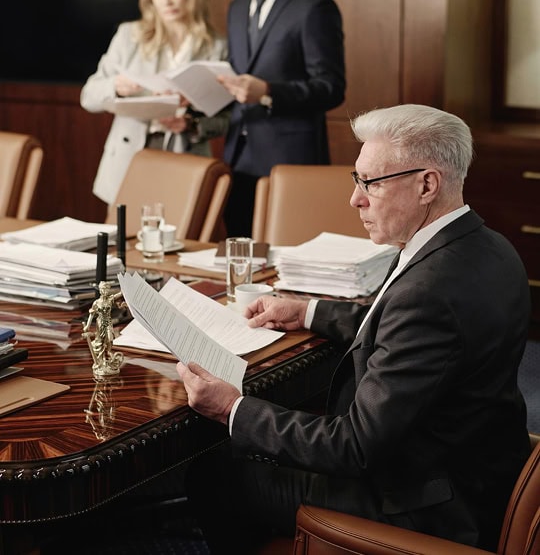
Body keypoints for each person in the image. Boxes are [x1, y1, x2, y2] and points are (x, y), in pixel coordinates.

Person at [177, 104, 532, 554]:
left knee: (218, 472)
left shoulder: (429, 292)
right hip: (477, 466)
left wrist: (233, 408)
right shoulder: (487, 247)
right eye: (356, 180)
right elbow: (415, 334)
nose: (355, 199)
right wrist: (308, 312)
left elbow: (353, 446)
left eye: (371, 183)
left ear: (427, 184)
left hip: (422, 501)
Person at [215, 0, 346, 236]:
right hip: (237, 158)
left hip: (290, 161)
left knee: (287, 263)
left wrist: (269, 92)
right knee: (241, 262)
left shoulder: (314, 7)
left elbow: (332, 87)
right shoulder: (236, 9)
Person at [80, 0, 229, 206]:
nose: (167, 1)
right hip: (129, 156)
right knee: (121, 241)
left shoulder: (216, 46)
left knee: (179, 240)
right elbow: (88, 97)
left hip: (185, 155)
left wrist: (191, 123)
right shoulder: (129, 35)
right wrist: (116, 86)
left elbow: (226, 118)